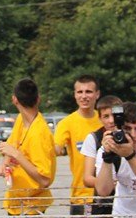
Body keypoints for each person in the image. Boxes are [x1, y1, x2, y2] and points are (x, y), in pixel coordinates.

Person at [0, 78, 56, 216]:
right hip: (16, 202)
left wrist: (17, 155)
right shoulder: (20, 119)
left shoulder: (40, 133)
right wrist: (5, 164)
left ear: (14, 99)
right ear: (38, 99)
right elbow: (11, 146)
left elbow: (44, 180)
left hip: (32, 207)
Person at [53, 75, 103, 215]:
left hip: (107, 193)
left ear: (97, 94)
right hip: (81, 196)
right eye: (80, 92)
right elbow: (56, 149)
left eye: (89, 92)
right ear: (74, 95)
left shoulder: (105, 120)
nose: (84, 96)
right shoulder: (66, 123)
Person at [82, 95, 123, 217]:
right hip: (103, 203)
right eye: (106, 116)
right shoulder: (94, 138)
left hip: (129, 200)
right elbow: (87, 178)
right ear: (99, 118)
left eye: (114, 115)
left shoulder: (131, 134)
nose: (111, 120)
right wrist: (109, 183)